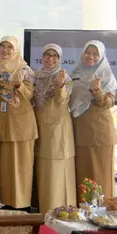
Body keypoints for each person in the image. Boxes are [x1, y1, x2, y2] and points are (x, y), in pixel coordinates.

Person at [0, 36, 38, 210]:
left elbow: (30, 95)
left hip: (21, 123)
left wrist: (18, 85)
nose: (5, 50)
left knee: (22, 164)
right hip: (2, 121)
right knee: (5, 165)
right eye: (2, 46)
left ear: (16, 49)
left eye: (9, 47)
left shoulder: (25, 70)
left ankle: (23, 202)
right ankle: (9, 200)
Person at [70, 40, 117, 199]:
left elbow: (108, 103)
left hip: (99, 134)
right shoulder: (76, 73)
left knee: (100, 174)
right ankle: (83, 210)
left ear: (101, 56)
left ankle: (102, 212)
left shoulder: (106, 75)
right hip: (79, 131)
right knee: (82, 173)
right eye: (88, 53)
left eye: (95, 53)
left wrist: (97, 90)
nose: (90, 56)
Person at [33, 44, 76, 214]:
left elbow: (63, 100)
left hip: (58, 130)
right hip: (40, 127)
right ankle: (43, 208)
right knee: (43, 169)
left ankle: (59, 209)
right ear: (42, 57)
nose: (50, 59)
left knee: (57, 168)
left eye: (55, 56)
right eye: (47, 55)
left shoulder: (64, 76)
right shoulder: (37, 76)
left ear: (60, 59)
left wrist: (60, 86)